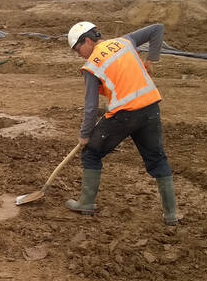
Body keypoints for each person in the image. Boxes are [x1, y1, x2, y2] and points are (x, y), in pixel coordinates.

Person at [65, 21, 178, 225]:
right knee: (157, 158)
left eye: (78, 49)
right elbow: (157, 28)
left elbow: (91, 107)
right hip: (150, 107)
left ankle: (86, 203)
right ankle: (171, 215)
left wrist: (84, 135)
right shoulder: (125, 42)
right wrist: (152, 59)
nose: (78, 54)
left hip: (125, 114)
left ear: (88, 41)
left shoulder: (92, 65)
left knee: (91, 153)